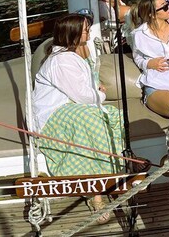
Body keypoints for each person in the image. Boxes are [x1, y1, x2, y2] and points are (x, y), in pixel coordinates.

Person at [32, 14, 124, 224]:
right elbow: (82, 96)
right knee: (91, 121)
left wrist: (95, 88)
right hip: (52, 114)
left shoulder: (72, 54)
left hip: (70, 107)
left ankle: (113, 172)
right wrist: (100, 93)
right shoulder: (61, 61)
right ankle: (96, 194)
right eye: (85, 28)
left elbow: (81, 89)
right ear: (72, 33)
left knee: (115, 117)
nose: (89, 30)